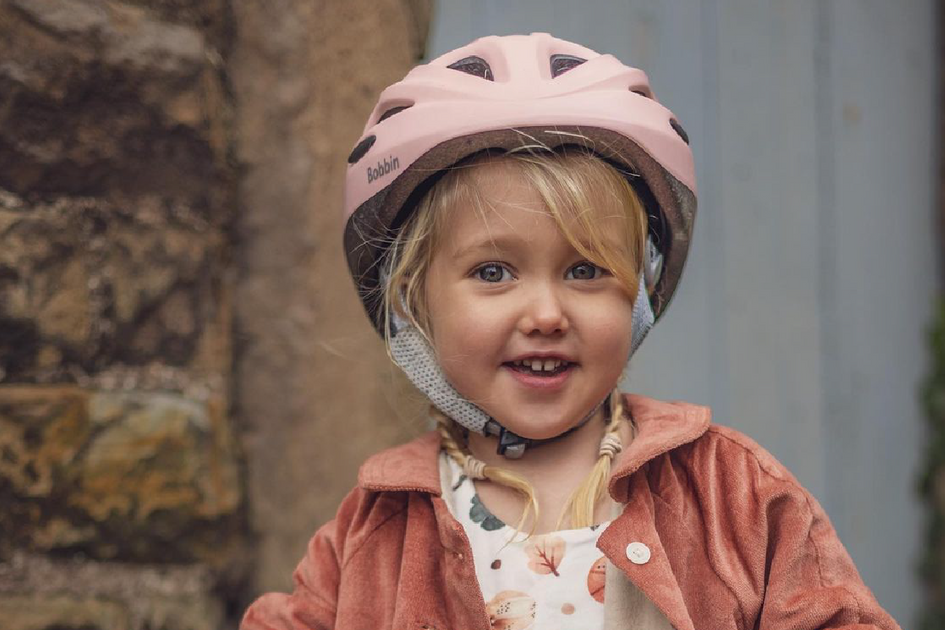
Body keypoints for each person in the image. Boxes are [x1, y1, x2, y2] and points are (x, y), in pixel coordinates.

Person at [241, 33, 900, 630]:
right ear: (413, 301)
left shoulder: (734, 495)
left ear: (639, 292)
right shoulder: (374, 532)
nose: (546, 314)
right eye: (493, 272)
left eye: (585, 270)